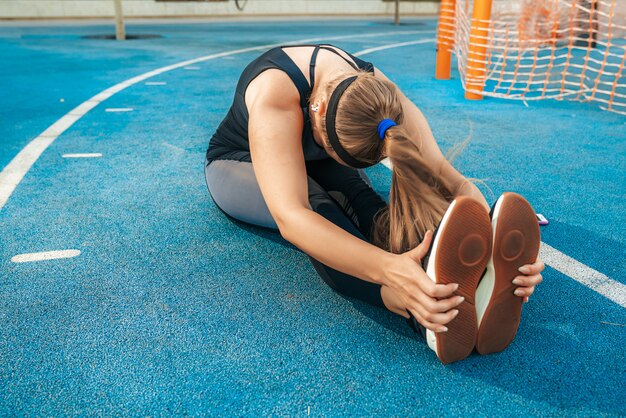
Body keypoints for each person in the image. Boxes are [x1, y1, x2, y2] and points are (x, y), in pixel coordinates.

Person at [204, 43, 545, 364]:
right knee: (321, 214)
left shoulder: (379, 95)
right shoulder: (275, 94)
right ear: (318, 108)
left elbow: (445, 175)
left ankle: (451, 285)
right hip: (237, 163)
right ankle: (415, 310)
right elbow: (292, 218)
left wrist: (487, 237)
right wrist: (389, 270)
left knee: (366, 204)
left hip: (318, 156)